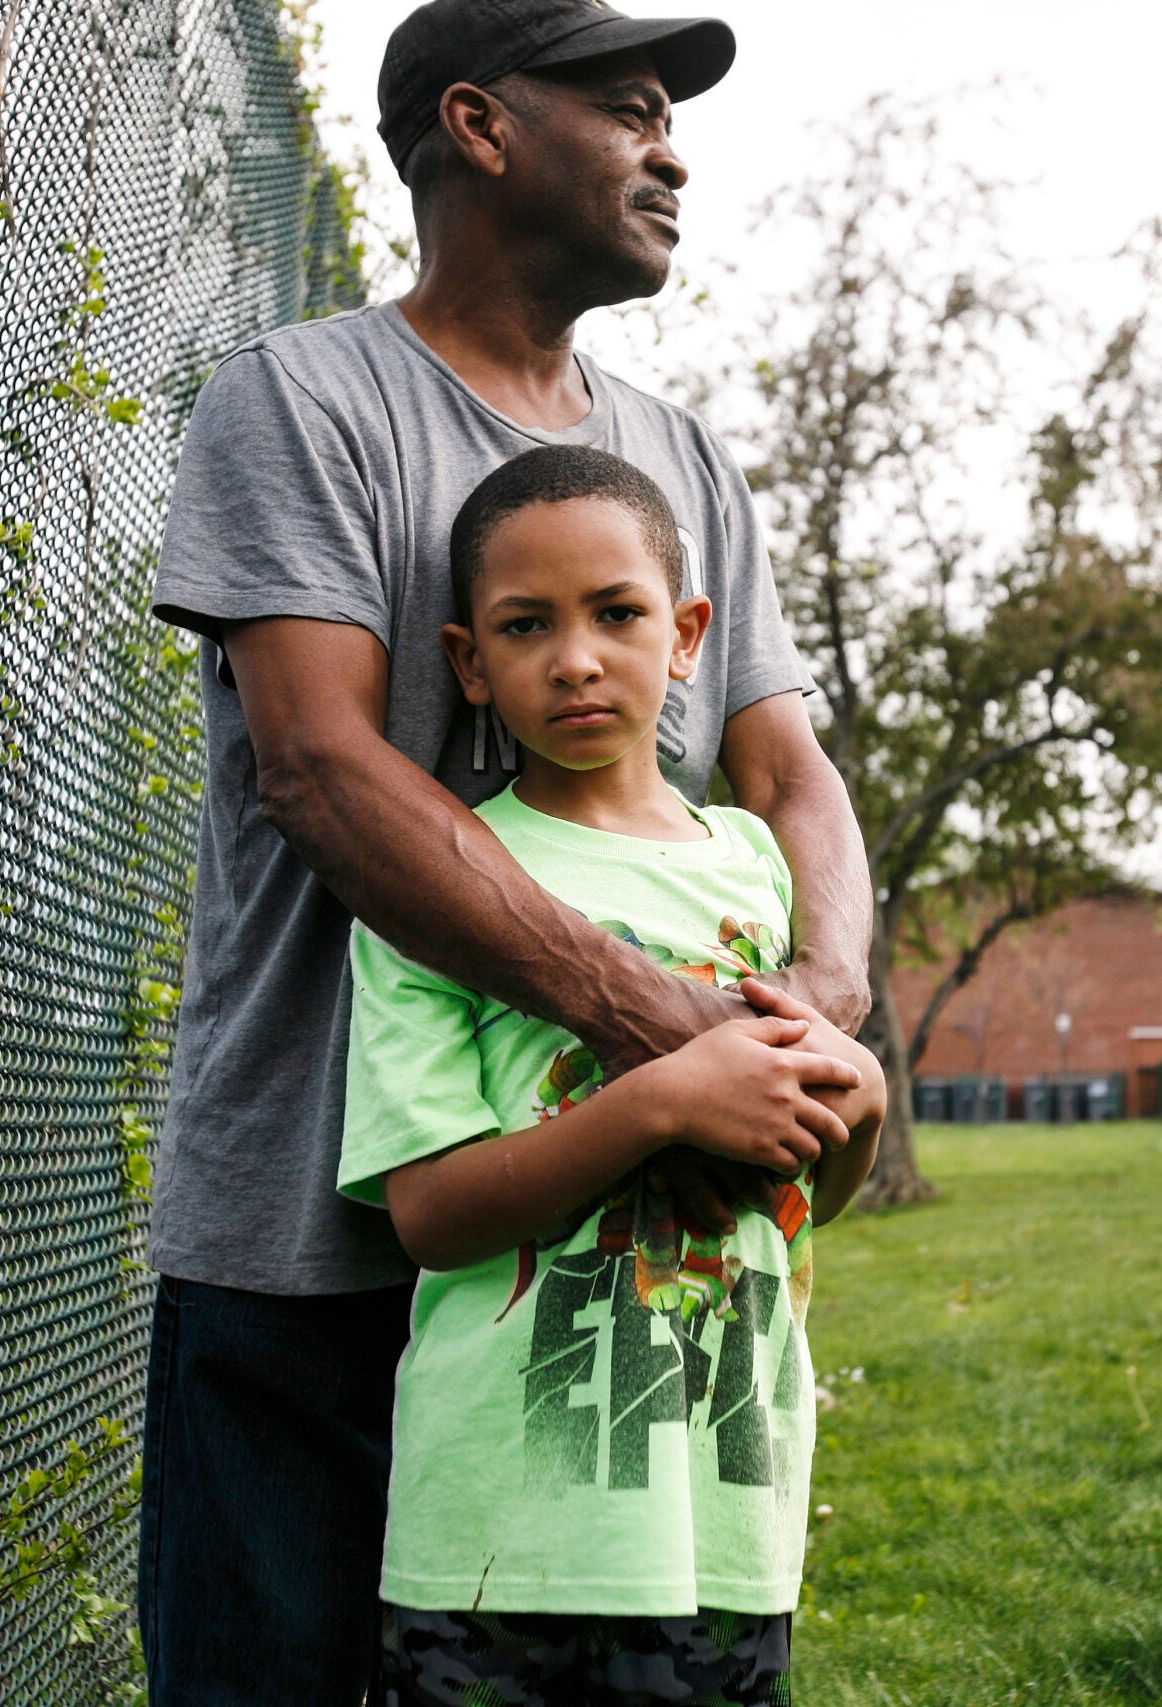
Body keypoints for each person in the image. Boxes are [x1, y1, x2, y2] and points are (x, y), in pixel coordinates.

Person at [139, 0, 874, 1699]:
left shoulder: (680, 459)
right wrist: (659, 1026)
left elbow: (790, 770)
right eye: (625, 108)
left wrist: (818, 1014)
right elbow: (320, 769)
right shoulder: (307, 401)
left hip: (619, 1297)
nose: (671, 148)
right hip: (319, 1256)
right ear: (479, 127)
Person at [346, 445, 883, 1705]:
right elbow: (428, 1216)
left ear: (688, 634)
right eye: (525, 626)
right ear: (469, 664)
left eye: (618, 615)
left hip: (724, 1527)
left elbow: (812, 1200)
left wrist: (855, 1108)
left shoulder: (757, 870)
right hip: (496, 1543)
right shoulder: (445, 882)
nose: (575, 658)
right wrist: (655, 1101)